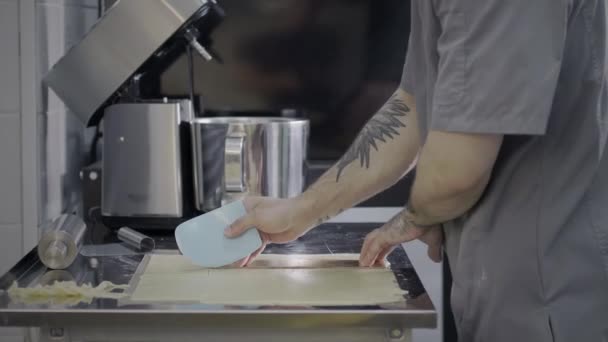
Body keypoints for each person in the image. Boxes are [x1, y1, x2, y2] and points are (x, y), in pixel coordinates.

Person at [225, 0, 608, 340]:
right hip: (494, 280)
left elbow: (455, 174)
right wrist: (301, 210)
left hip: (548, 290)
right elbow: (413, 102)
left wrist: (418, 213)